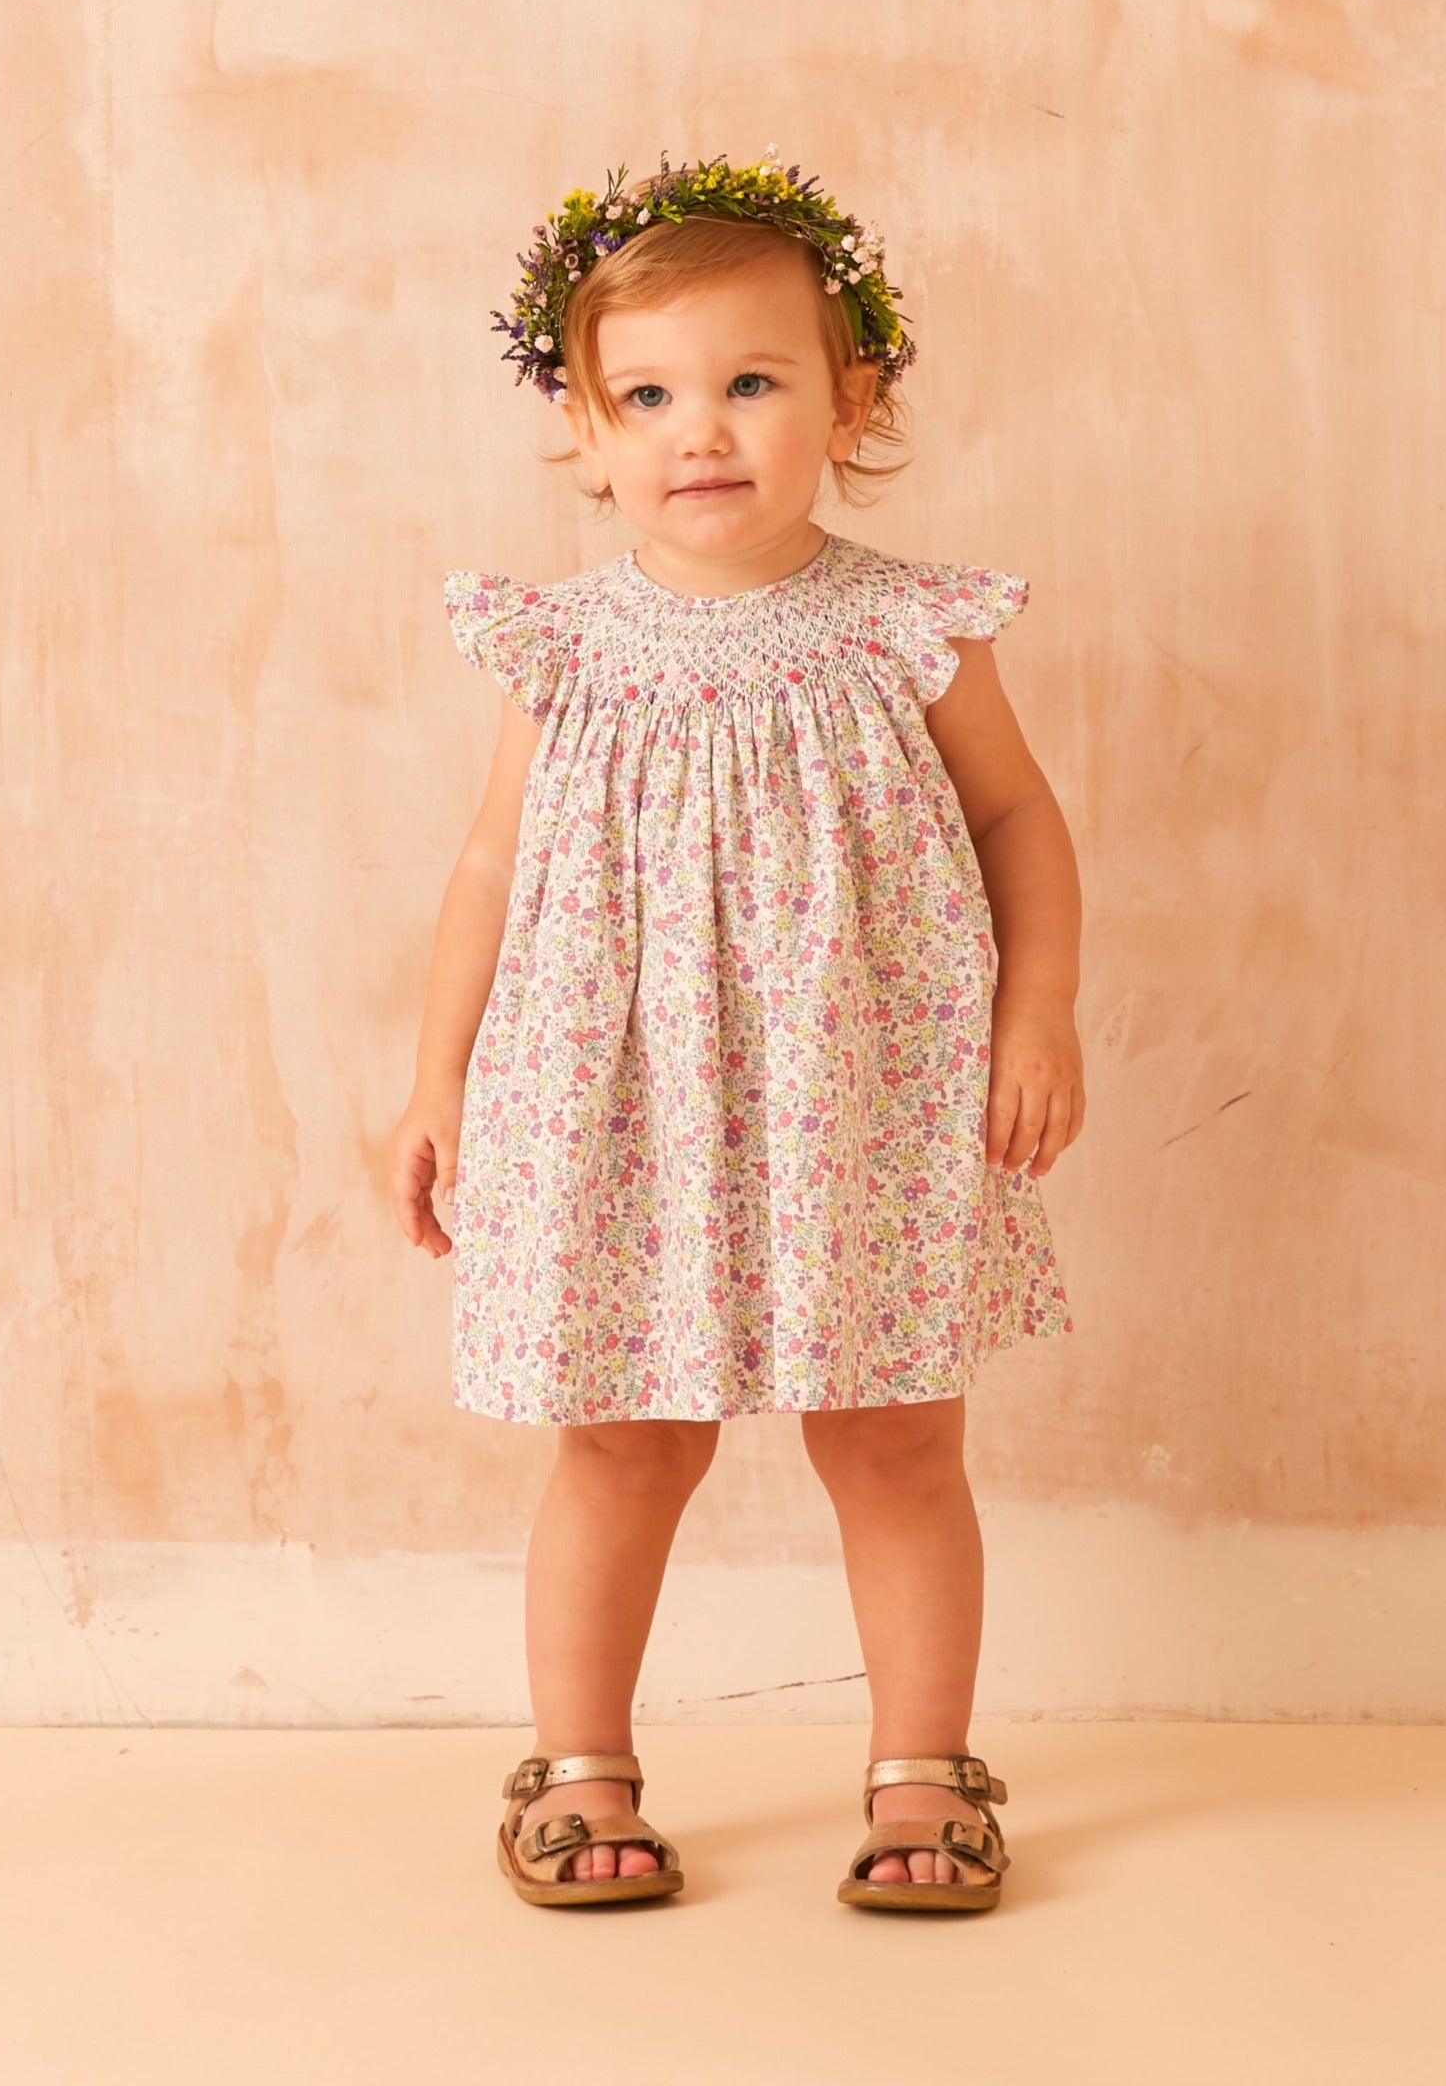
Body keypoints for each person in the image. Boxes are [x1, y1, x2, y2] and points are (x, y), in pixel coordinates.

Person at [388, 150, 1084, 1913]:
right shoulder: (559, 643)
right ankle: (577, 1766)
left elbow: (1017, 822)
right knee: (624, 1435)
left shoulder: (907, 624)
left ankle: (924, 1775)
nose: (701, 431)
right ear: (586, 426)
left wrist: (1039, 1012)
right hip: (614, 1096)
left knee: (893, 1429)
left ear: (854, 401)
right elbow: (487, 866)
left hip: (863, 1088)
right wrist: (434, 1079)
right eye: (649, 395)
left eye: (753, 382)